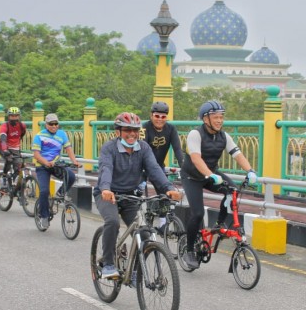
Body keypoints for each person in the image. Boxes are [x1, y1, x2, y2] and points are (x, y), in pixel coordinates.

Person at [94, 112, 181, 279]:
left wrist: (168, 188)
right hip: (108, 195)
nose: (132, 133)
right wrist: (105, 188)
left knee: (145, 235)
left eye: (135, 130)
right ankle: (108, 263)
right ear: (118, 132)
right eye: (127, 130)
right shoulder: (109, 148)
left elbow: (154, 169)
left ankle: (134, 272)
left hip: (130, 196)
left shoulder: (143, 148)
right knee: (112, 222)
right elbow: (106, 169)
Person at [180, 100, 258, 270]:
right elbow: (196, 159)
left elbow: (238, 155)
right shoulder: (195, 134)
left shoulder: (224, 136)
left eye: (221, 117)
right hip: (192, 177)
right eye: (215, 117)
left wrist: (250, 171)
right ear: (205, 119)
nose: (219, 120)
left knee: (233, 192)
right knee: (198, 213)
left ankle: (219, 224)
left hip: (211, 174)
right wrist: (210, 175)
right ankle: (190, 250)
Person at [31, 113, 81, 229]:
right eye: (51, 124)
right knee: (44, 192)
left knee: (71, 177)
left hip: (56, 165)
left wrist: (74, 161)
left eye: (56, 124)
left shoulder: (62, 134)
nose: (54, 126)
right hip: (42, 167)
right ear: (46, 125)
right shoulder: (39, 136)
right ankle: (43, 216)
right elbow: (36, 155)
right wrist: (45, 162)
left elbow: (68, 149)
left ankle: (60, 194)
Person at [142, 101, 184, 230]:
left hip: (158, 166)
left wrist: (184, 166)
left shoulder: (171, 129)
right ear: (151, 115)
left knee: (164, 193)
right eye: (157, 116)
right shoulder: (144, 128)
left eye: (163, 117)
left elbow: (177, 149)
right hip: (142, 165)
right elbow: (142, 149)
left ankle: (162, 224)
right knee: (139, 192)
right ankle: (140, 219)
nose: (160, 119)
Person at [0, 107, 27, 194]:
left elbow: (21, 135)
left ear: (19, 116)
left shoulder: (22, 125)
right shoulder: (5, 126)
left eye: (16, 116)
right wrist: (5, 149)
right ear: (8, 117)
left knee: (18, 165)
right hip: (4, 147)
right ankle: (4, 177)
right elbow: (3, 138)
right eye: (12, 116)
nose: (14, 118)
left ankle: (15, 185)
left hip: (15, 148)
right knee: (9, 159)